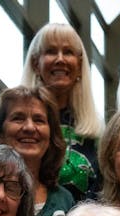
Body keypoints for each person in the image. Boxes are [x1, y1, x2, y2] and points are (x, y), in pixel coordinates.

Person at [0, 85, 75, 216]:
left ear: (51, 136)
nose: (29, 127)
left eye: (39, 120)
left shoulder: (65, 200)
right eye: (18, 118)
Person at [21, 23, 103, 201]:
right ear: (36, 63)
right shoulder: (18, 126)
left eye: (67, 52)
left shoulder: (97, 133)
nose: (60, 59)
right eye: (51, 51)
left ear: (79, 65)